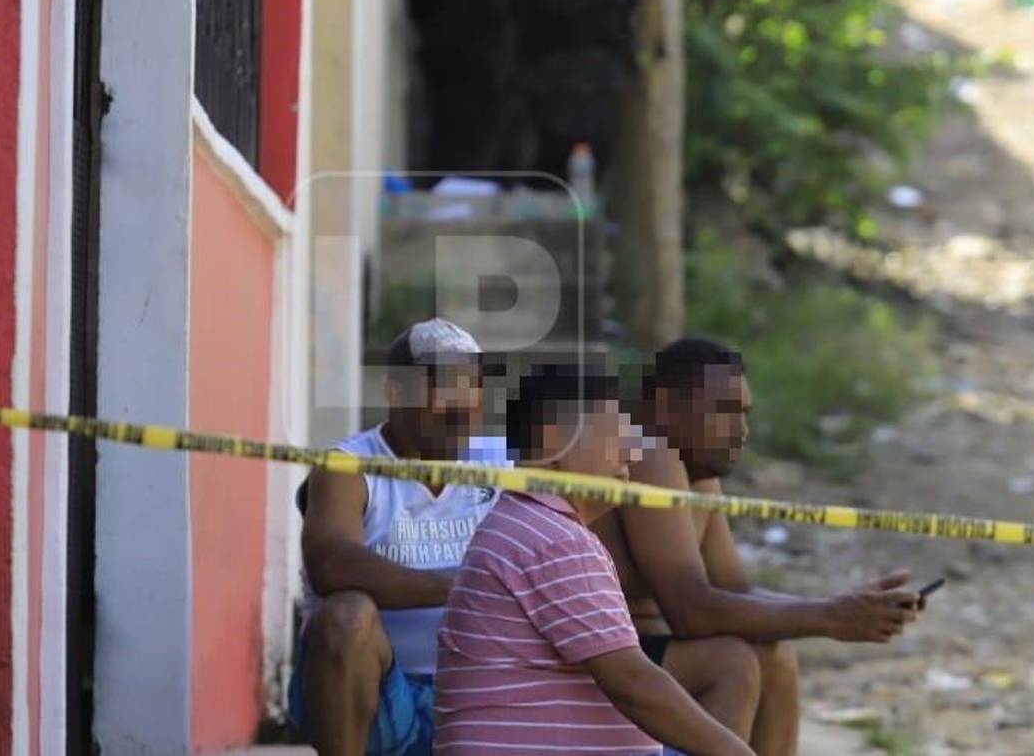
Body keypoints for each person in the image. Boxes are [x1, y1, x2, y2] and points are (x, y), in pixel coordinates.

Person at [592, 338, 924, 756]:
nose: (741, 430)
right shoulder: (646, 450)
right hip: (601, 660)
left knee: (775, 656)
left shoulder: (695, 471)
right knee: (729, 664)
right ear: (664, 405)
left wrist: (840, 606)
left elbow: (734, 593)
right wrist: (828, 617)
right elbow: (691, 611)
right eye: (724, 412)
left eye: (744, 414)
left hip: (648, 654)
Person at [435, 365, 754, 756]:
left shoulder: (531, 522)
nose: (631, 451)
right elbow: (632, 683)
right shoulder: (553, 540)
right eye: (615, 433)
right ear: (554, 441)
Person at [290, 318, 506, 756]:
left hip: (479, 698)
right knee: (347, 614)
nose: (460, 405)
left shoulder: (502, 464)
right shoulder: (348, 467)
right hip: (383, 701)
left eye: (471, 388)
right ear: (394, 392)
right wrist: (462, 586)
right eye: (442, 388)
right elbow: (330, 564)